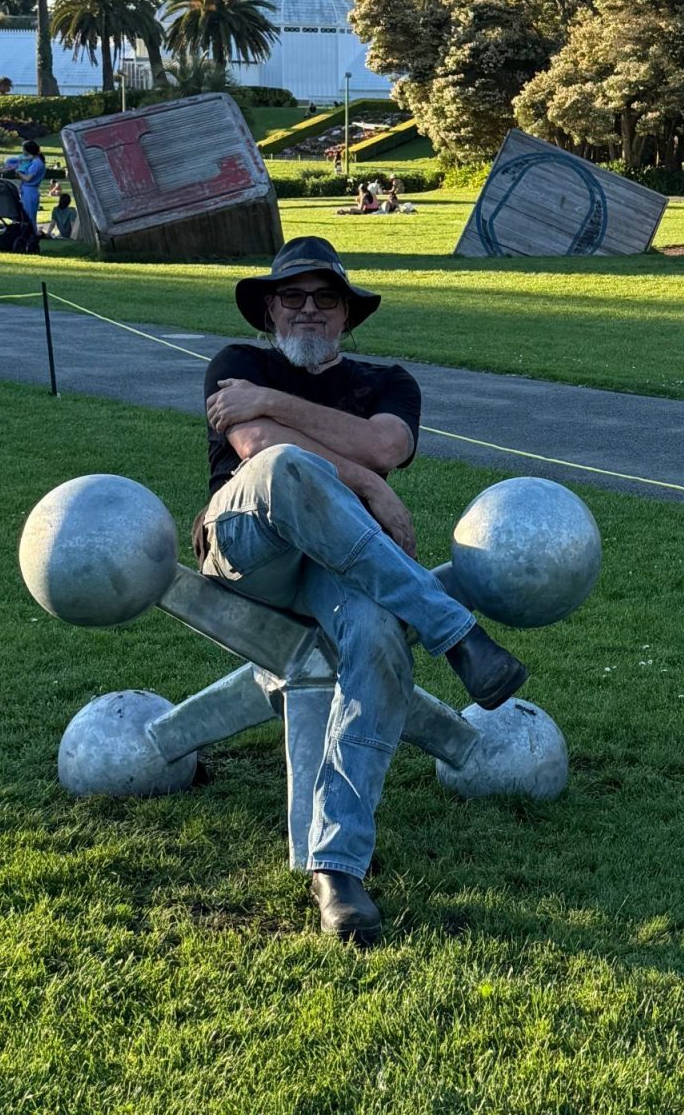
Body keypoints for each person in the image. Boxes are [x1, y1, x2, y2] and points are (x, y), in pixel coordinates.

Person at [197, 237, 529, 944]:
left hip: (341, 567)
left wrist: (278, 408)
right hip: (249, 547)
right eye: (292, 297)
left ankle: (337, 867)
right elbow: (258, 445)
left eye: (326, 299)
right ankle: (455, 632)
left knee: (379, 638)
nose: (309, 310)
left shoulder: (388, 382)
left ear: (347, 315)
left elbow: (385, 444)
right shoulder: (236, 366)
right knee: (286, 467)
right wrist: (370, 485)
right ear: (269, 311)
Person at [4, 138, 46, 224]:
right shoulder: (35, 161)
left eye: (24, 150)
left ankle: (30, 231)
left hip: (30, 191)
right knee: (27, 215)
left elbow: (28, 178)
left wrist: (18, 172)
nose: (23, 152)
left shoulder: (36, 163)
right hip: (28, 190)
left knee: (28, 216)